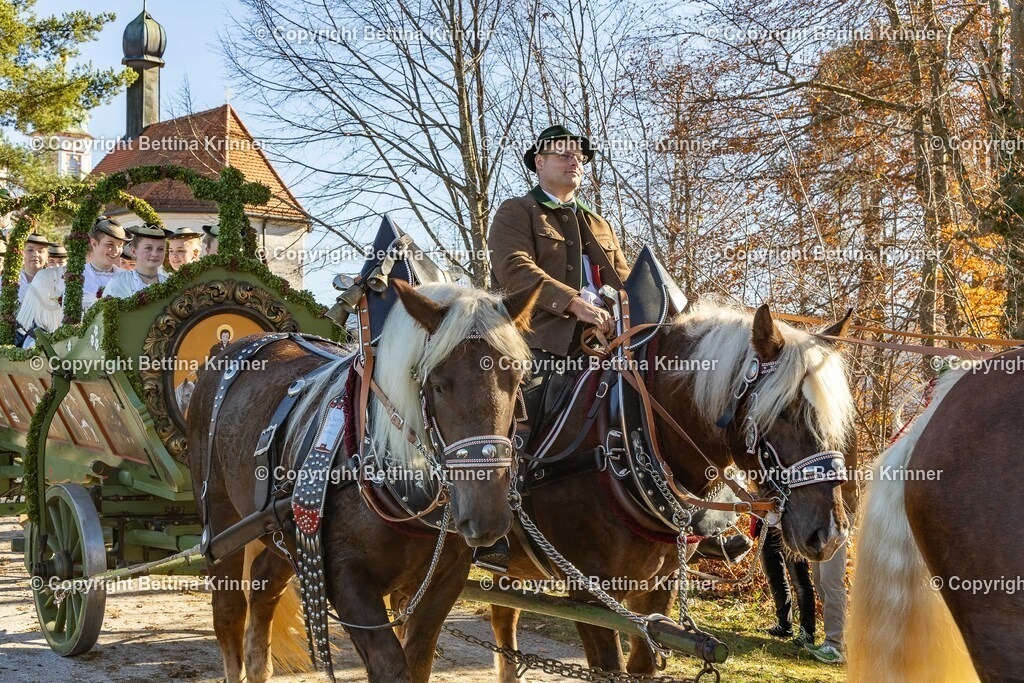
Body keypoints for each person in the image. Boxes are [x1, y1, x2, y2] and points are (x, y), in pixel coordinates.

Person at [479, 124, 632, 571]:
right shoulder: (517, 212)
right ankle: (494, 529)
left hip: (604, 347)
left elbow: (626, 281)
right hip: (535, 343)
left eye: (579, 156)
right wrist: (573, 303)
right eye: (563, 154)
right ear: (538, 163)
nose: (575, 160)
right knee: (513, 420)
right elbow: (514, 270)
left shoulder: (598, 223)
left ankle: (690, 520)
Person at [17, 218, 131, 342]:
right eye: (110, 245)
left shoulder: (127, 277)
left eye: (120, 245)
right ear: (94, 243)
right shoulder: (74, 276)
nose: (116, 251)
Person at [754, 518, 817, 646]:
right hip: (766, 524)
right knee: (774, 577)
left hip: (793, 527)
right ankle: (784, 625)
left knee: (800, 582)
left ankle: (807, 632)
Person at [104, 225, 172, 298]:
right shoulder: (119, 282)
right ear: (134, 251)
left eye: (160, 249)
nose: (155, 254)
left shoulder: (169, 284)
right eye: (148, 248)